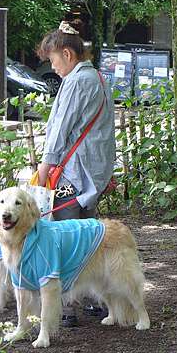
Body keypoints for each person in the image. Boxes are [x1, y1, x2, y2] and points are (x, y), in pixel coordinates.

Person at [36, 21, 116, 326]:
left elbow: (60, 128)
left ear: (67, 55)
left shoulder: (75, 82)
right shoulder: (97, 77)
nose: (53, 67)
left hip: (71, 174)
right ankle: (94, 300)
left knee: (64, 238)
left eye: (53, 60)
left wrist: (45, 166)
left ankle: (67, 306)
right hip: (92, 174)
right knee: (88, 238)